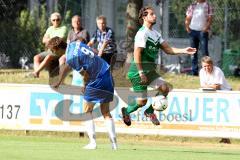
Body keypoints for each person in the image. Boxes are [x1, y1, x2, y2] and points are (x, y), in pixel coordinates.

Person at [121, 6, 196, 126]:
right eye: (151, 14)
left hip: (150, 71)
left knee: (165, 88)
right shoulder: (142, 33)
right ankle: (126, 111)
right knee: (141, 102)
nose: (154, 16)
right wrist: (141, 72)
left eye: (154, 14)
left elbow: (168, 49)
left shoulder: (156, 34)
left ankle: (149, 111)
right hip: (137, 72)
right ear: (144, 17)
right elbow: (137, 53)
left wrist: (184, 50)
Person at [51, 37, 117, 150]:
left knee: (87, 111)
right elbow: (69, 66)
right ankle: (114, 144)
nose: (53, 53)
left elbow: (85, 73)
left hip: (96, 79)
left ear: (57, 49)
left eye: (53, 50)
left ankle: (93, 143)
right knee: (105, 111)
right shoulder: (75, 44)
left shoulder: (72, 57)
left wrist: (85, 85)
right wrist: (60, 81)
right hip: (106, 72)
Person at [199, 56, 231, 144]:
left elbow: (217, 86)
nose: (206, 68)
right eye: (204, 66)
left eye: (208, 66)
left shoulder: (217, 71)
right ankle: (225, 138)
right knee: (216, 116)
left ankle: (226, 137)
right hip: (214, 95)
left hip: (226, 95)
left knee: (225, 117)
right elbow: (203, 86)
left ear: (212, 65)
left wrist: (207, 86)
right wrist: (210, 86)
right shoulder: (202, 72)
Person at [32, 12, 67, 78]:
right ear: (51, 21)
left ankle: (35, 72)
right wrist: (52, 39)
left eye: (57, 19)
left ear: (60, 20)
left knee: (48, 57)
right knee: (36, 57)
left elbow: (59, 40)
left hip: (60, 50)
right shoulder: (49, 29)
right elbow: (43, 40)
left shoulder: (63, 28)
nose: (56, 21)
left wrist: (49, 40)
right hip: (50, 50)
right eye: (54, 20)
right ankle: (36, 74)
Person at [58, 15, 90, 86]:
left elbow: (83, 43)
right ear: (72, 23)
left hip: (80, 53)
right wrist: (66, 54)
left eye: (78, 21)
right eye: (75, 21)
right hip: (70, 52)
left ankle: (86, 79)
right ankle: (61, 80)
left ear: (81, 22)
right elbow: (68, 44)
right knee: (61, 59)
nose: (77, 23)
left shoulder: (84, 32)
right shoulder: (70, 32)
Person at [185, 0, 213, 76]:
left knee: (205, 52)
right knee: (193, 52)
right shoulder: (192, 5)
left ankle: (207, 71)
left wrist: (205, 29)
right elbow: (188, 17)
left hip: (202, 32)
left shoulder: (207, 5)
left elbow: (210, 18)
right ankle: (194, 72)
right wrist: (187, 28)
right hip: (193, 31)